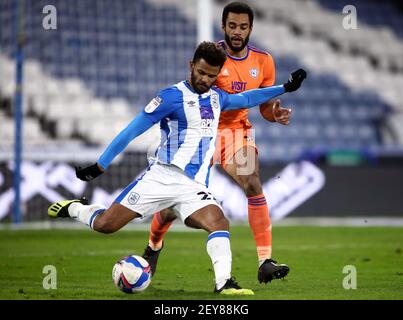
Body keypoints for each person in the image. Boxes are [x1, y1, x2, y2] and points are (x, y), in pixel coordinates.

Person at [48, 42, 306, 295]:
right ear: (191, 65)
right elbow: (132, 131)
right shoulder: (170, 97)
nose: (205, 79)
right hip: (161, 177)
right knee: (106, 225)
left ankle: (224, 283)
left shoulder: (218, 98)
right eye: (201, 72)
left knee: (219, 222)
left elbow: (248, 97)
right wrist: (100, 164)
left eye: (211, 76)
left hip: (193, 186)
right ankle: (76, 208)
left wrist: (284, 88)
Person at [143, 2, 297, 284]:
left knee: (252, 182)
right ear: (223, 26)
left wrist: (274, 114)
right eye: (232, 26)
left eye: (243, 27)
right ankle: (153, 246)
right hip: (200, 132)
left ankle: (265, 261)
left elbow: (263, 106)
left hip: (235, 133)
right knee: (169, 208)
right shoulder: (211, 56)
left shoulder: (264, 61)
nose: (237, 32)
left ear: (250, 28)